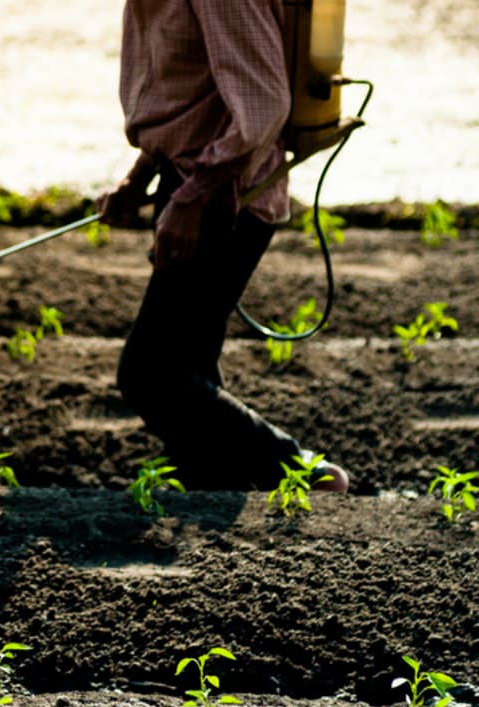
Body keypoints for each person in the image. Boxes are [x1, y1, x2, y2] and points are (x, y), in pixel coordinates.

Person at [97, 0, 349, 493]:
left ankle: (306, 471)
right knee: (187, 364)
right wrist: (138, 178)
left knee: (152, 373)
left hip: (226, 196)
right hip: (191, 183)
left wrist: (191, 202)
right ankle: (210, 486)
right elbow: (190, 93)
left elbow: (263, 107)